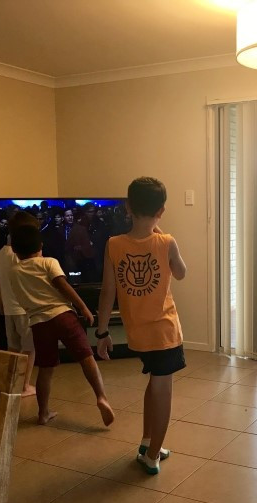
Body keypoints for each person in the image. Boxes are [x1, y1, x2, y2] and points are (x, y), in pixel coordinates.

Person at [96, 177, 187, 475]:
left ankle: (148, 441)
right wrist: (161, 235)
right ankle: (152, 456)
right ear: (161, 211)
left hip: (137, 334)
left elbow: (107, 292)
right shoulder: (167, 241)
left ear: (127, 207)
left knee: (154, 382)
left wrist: (103, 332)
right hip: (164, 333)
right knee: (163, 391)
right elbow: (181, 272)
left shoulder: (113, 245)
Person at [9, 224, 115, 426]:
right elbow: (63, 286)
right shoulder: (48, 262)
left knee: (45, 369)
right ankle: (101, 397)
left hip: (39, 323)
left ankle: (43, 413)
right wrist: (83, 307)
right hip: (63, 316)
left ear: (14, 249)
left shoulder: (13, 271)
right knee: (86, 358)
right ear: (40, 246)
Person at [0, 211, 38, 397]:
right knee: (30, 348)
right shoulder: (21, 255)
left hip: (9, 308)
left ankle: (12, 383)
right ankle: (24, 385)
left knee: (13, 347)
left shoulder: (1, 253)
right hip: (24, 309)